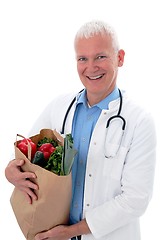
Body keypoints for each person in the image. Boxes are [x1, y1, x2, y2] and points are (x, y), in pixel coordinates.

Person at [5, 20, 156, 240]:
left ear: (120, 58)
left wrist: (70, 232)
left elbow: (136, 199)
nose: (91, 67)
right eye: (82, 58)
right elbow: (24, 152)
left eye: (101, 57)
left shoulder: (139, 121)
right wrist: (11, 170)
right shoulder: (59, 107)